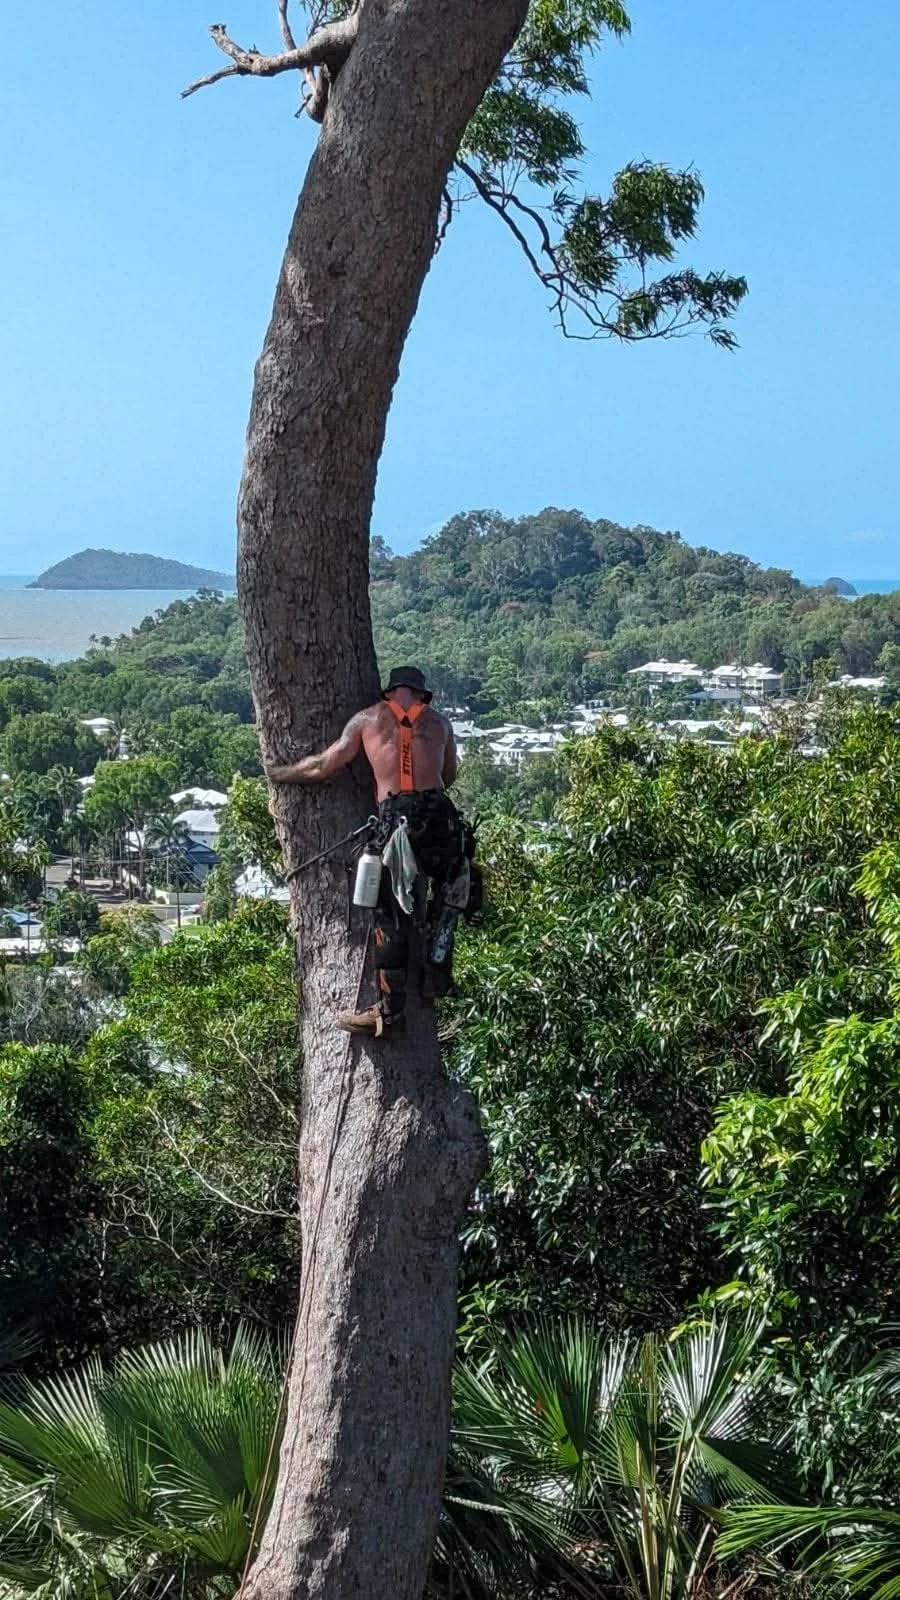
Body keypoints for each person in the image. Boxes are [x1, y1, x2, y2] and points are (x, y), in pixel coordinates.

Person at [267, 667, 469, 1037]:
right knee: (450, 899)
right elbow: (449, 773)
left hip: (398, 821)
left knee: (386, 910)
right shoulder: (441, 724)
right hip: (442, 818)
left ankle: (390, 1013)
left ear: (388, 693)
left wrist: (278, 773)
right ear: (422, 695)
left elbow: (321, 767)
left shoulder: (368, 719)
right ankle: (436, 976)